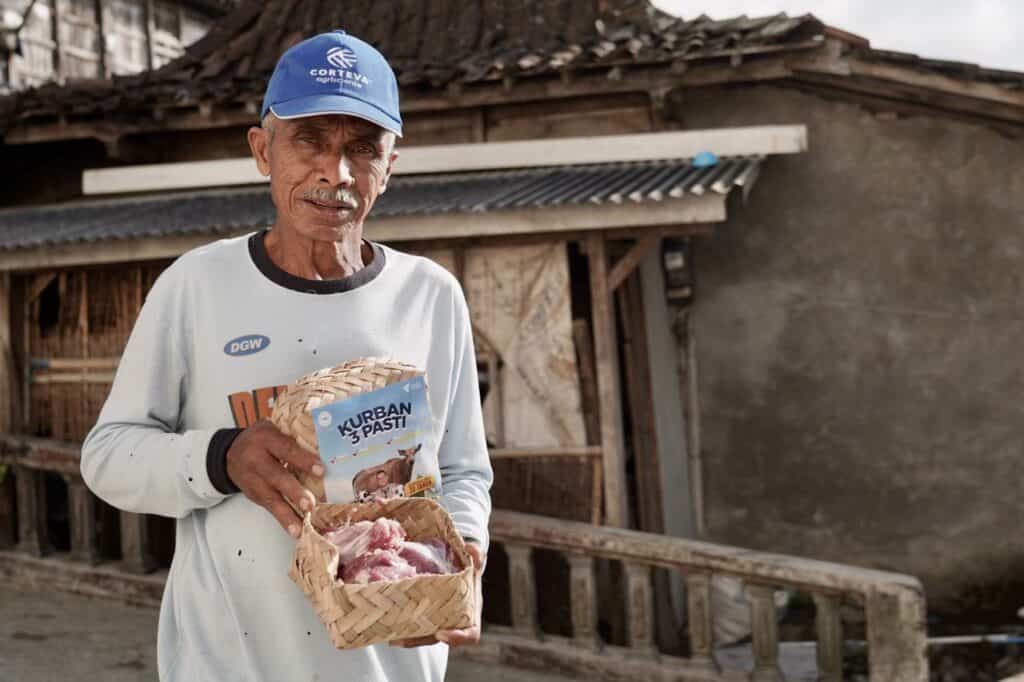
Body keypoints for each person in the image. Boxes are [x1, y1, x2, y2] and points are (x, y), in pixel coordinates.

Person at [80, 29, 493, 682]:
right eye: (310, 141)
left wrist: (459, 552)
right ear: (261, 150)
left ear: (391, 165)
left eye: (363, 148)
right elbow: (107, 458)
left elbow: (464, 469)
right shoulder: (198, 286)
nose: (337, 172)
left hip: (387, 662)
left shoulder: (429, 296)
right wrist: (220, 456)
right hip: (228, 663)